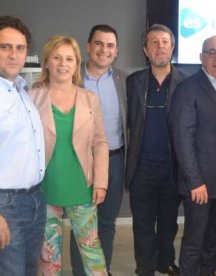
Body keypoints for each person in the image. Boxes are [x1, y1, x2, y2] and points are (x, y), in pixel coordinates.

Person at [29, 35, 108, 275]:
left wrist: (101, 183)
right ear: (47, 62)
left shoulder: (89, 98)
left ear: (76, 64)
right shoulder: (32, 97)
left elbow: (100, 143)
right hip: (45, 187)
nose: (63, 64)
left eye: (69, 59)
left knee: (91, 248)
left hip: (81, 185)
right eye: (57, 57)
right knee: (48, 253)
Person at [170, 35, 216, 276]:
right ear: (201, 57)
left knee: (214, 237)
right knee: (194, 240)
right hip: (199, 184)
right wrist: (195, 181)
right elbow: (182, 138)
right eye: (212, 52)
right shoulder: (187, 89)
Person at [126, 24, 185, 276]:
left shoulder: (186, 83)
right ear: (145, 50)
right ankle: (146, 266)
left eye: (164, 41)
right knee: (142, 223)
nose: (159, 46)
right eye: (154, 42)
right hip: (141, 167)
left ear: (172, 47)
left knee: (169, 223)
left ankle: (165, 262)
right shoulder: (133, 82)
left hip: (173, 167)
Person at [70, 24, 127, 276]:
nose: (104, 50)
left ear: (116, 51)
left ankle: (102, 271)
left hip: (115, 160)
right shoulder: (72, 77)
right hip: (79, 162)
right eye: (99, 43)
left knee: (106, 223)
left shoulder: (123, 80)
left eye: (110, 45)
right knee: (81, 224)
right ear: (88, 46)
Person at [0, 15, 46, 276]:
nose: (13, 55)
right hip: (6, 206)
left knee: (29, 271)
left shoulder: (21, 91)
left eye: (20, 48)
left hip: (34, 200)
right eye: (5, 47)